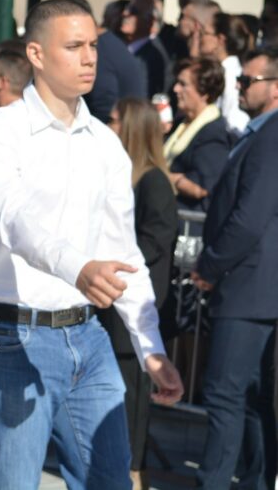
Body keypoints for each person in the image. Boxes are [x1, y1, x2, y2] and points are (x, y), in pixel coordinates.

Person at [0, 0, 183, 489]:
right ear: (37, 54)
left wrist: (150, 347)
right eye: (74, 46)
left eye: (93, 46)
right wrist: (77, 267)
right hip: (9, 333)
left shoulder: (105, 144)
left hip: (88, 334)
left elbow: (124, 252)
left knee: (111, 482)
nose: (89, 58)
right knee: (14, 484)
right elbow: (11, 217)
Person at [190, 48, 278, 490]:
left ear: (275, 87)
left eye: (248, 80)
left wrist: (209, 265)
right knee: (250, 397)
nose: (238, 87)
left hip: (248, 286)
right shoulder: (259, 133)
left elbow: (249, 218)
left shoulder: (271, 136)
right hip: (254, 286)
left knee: (226, 394)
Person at [104, 97, 179, 490]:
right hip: (111, 301)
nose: (109, 125)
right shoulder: (124, 177)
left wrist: (112, 259)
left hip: (135, 304)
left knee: (132, 394)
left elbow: (155, 241)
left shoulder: (153, 183)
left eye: (115, 120)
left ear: (133, 127)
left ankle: (134, 473)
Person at [163, 58, 232, 213]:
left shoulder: (213, 134)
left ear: (204, 93)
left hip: (187, 219)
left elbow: (200, 187)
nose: (175, 89)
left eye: (183, 84)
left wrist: (159, 176)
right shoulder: (180, 123)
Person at [83, 0, 148, 123]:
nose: (124, 14)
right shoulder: (110, 43)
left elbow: (103, 104)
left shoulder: (102, 48)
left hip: (119, 128)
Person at [200, 12, 254, 135]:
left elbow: (231, 120)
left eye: (205, 33)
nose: (200, 38)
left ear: (220, 40)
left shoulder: (229, 75)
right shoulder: (224, 71)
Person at [120, 0, 172, 97]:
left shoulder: (152, 57)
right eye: (127, 8)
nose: (125, 13)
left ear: (151, 21)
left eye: (133, 11)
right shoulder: (128, 48)